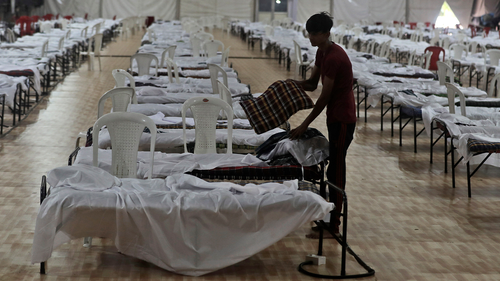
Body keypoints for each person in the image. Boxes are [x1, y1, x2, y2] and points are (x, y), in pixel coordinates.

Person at [289, 12, 356, 235]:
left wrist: (304, 124)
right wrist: (288, 85)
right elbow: (310, 83)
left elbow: (324, 97)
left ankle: (334, 225)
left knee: (336, 169)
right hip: (334, 116)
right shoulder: (322, 52)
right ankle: (330, 218)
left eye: (315, 34)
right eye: (309, 33)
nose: (311, 38)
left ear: (327, 33)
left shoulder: (335, 57)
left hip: (342, 118)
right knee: (333, 169)